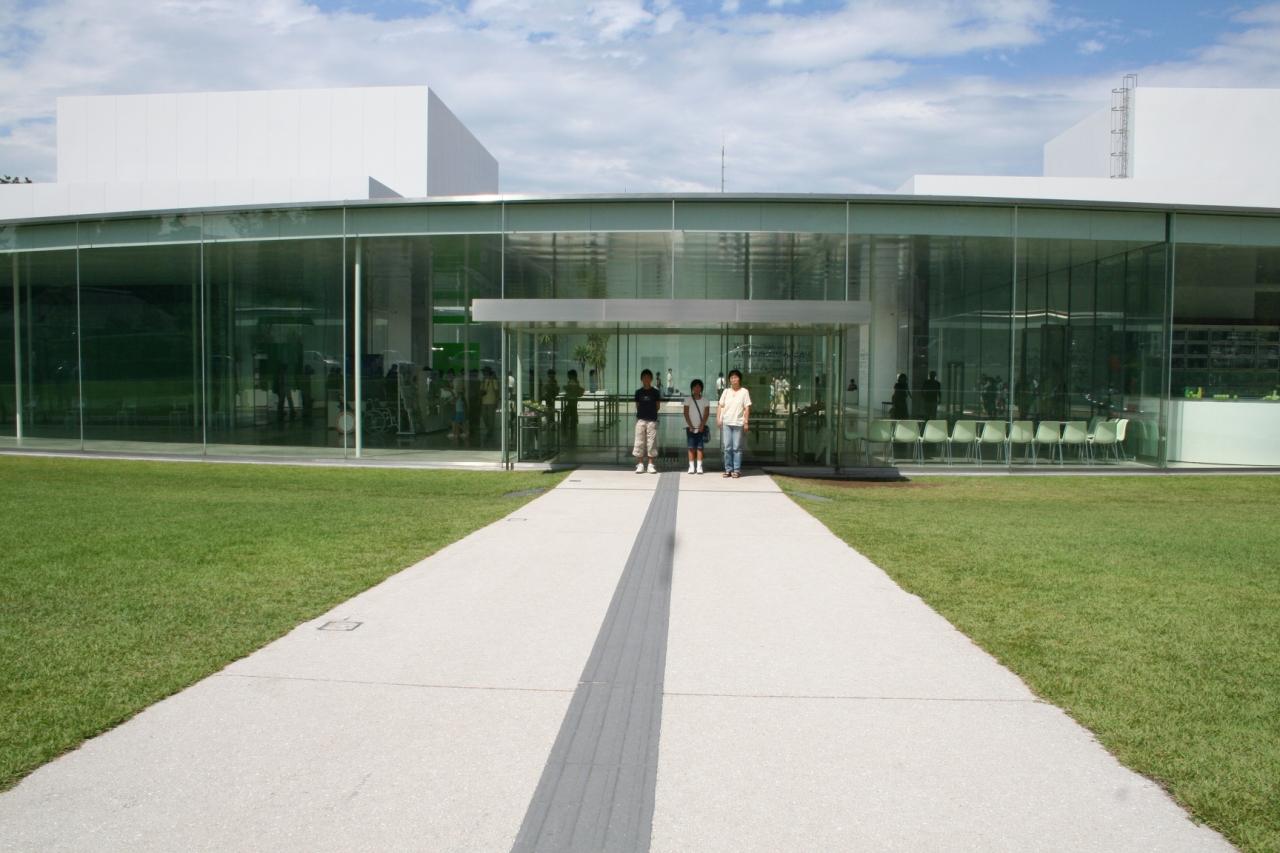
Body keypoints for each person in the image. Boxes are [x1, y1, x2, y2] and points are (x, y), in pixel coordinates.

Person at [717, 368, 751, 479]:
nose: (733, 379)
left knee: (737, 448)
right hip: (727, 422)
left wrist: (746, 422)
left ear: (739, 379)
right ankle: (728, 469)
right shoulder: (726, 391)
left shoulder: (744, 392)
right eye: (731, 378)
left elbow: (747, 408)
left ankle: (736, 470)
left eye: (735, 377)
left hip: (738, 423)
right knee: (727, 447)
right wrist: (718, 419)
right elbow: (720, 405)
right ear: (729, 380)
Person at [633, 369, 662, 474]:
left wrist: (651, 413)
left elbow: (658, 406)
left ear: (651, 379)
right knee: (639, 442)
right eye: (644, 377)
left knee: (651, 442)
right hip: (641, 420)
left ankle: (650, 465)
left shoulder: (655, 392)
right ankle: (640, 464)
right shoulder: (638, 392)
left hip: (652, 420)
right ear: (641, 379)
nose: (646, 379)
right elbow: (637, 406)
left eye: (648, 377)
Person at [683, 379, 710, 474]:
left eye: (698, 387)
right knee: (691, 447)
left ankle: (699, 467)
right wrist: (690, 425)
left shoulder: (705, 400)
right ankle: (691, 467)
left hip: (701, 427)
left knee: (700, 447)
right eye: (695, 387)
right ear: (692, 388)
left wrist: (702, 425)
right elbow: (686, 413)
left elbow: (706, 414)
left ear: (701, 388)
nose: (697, 388)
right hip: (690, 427)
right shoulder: (688, 399)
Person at [564, 369, 584, 433]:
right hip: (574, 399)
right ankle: (573, 423)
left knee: (571, 412)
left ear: (571, 375)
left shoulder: (572, 381)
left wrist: (566, 388)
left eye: (569, 375)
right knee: (573, 411)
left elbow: (570, 389)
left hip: (571, 399)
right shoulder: (576, 381)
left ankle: (572, 424)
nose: (568, 376)